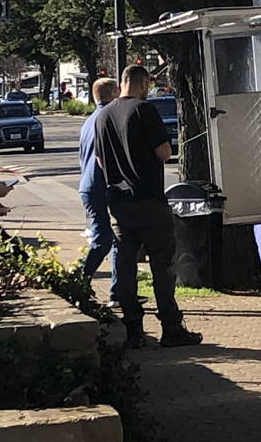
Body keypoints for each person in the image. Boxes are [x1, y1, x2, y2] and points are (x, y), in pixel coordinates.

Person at [95, 65, 202, 349]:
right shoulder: (145, 111)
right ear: (143, 85)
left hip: (118, 204)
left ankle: (133, 330)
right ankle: (170, 327)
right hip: (149, 201)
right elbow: (164, 152)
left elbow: (100, 161)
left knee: (125, 265)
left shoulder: (102, 115)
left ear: (122, 83)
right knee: (162, 266)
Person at [79, 77, 121, 302]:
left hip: (89, 185)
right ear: (113, 93)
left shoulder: (89, 121)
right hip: (101, 185)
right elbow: (104, 157)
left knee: (114, 237)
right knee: (105, 237)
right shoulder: (108, 118)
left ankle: (118, 291)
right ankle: (79, 279)